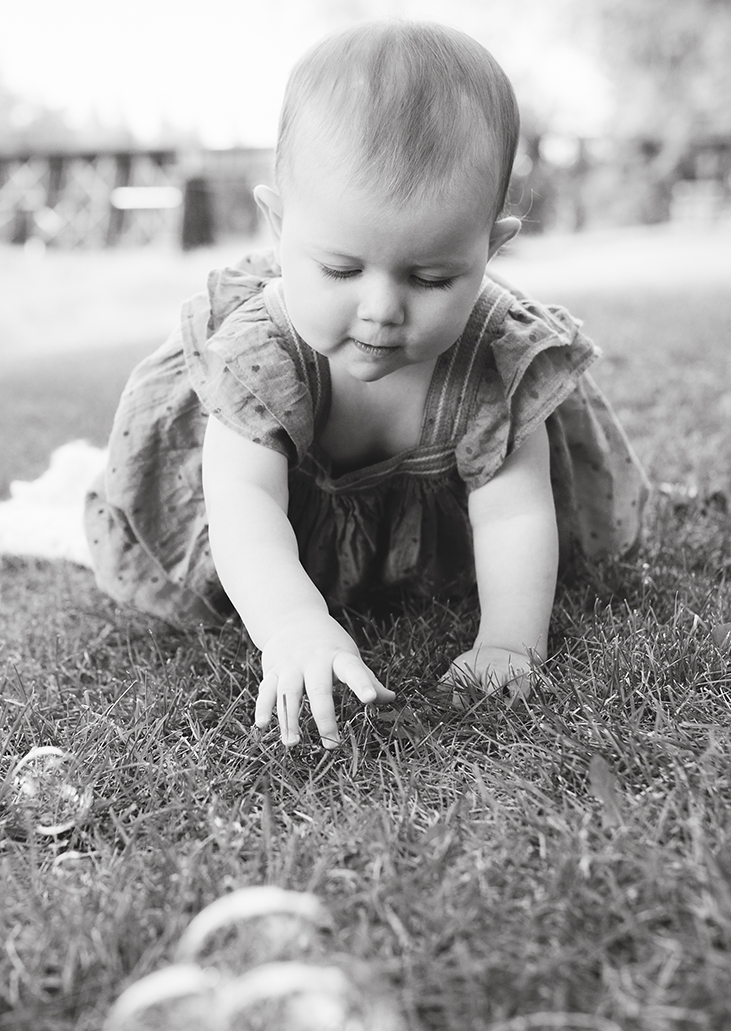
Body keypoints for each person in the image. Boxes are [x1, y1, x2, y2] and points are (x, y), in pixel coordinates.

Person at [84, 20, 649, 749]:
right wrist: (293, 623)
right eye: (342, 270)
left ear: (491, 248)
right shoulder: (264, 353)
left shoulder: (490, 357)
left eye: (433, 277)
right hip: (278, 533)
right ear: (278, 227)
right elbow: (244, 501)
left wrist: (510, 643)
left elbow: (512, 513)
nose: (381, 309)